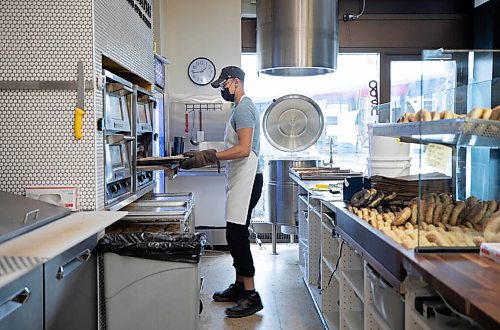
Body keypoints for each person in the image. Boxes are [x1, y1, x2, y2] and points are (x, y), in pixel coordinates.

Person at [180, 66, 263, 318]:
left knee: (236, 235)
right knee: (234, 232)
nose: (222, 90)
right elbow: (236, 147)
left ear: (235, 82)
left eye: (223, 85)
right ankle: (239, 286)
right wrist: (208, 155)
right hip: (241, 179)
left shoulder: (246, 108)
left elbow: (244, 149)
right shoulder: (238, 108)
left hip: (249, 179)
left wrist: (210, 156)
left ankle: (251, 294)